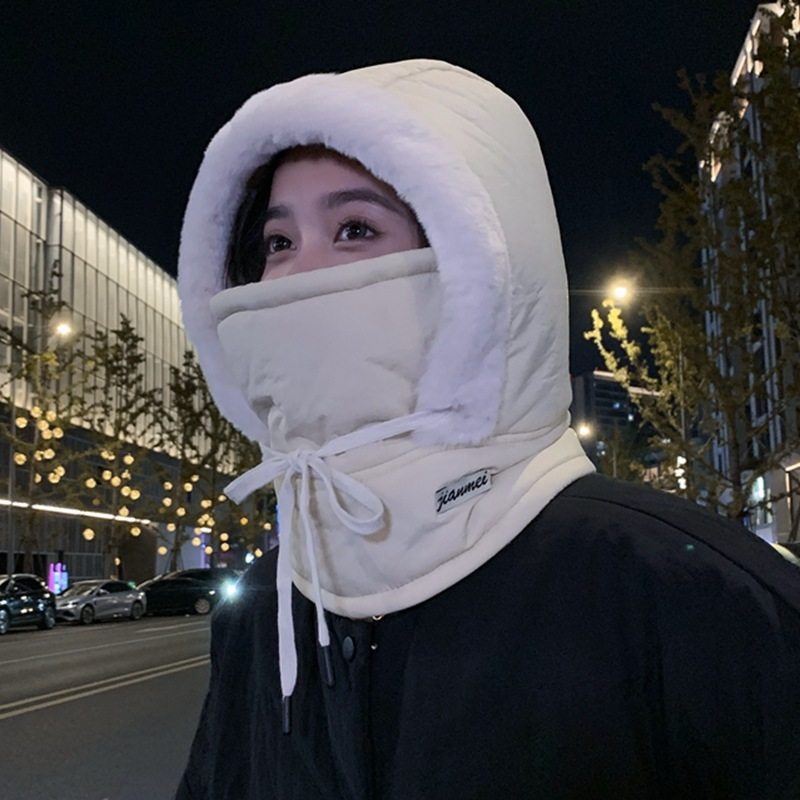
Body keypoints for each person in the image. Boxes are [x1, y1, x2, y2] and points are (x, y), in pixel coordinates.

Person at [175, 60, 800, 799]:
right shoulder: (263, 610)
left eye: (354, 229)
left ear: (482, 266)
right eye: (277, 243)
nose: (297, 275)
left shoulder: (691, 596)